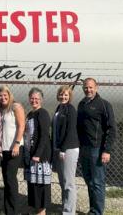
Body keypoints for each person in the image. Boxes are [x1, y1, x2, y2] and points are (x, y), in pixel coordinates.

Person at [77, 78, 116, 215]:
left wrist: (107, 150)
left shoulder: (104, 105)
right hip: (84, 149)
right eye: (86, 87)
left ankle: (97, 212)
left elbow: (111, 129)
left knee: (97, 182)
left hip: (97, 149)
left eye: (91, 87)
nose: (88, 90)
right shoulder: (81, 104)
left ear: (96, 87)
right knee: (89, 181)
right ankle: (93, 210)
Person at [0, 85, 25, 215]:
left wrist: (17, 143)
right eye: (0, 96)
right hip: (4, 149)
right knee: (7, 180)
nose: (3, 97)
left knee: (10, 179)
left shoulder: (16, 107)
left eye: (5, 95)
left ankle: (14, 210)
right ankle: (8, 210)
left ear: (9, 95)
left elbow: (21, 126)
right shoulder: (0, 110)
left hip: (14, 148)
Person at [24, 87, 52, 215]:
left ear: (41, 100)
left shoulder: (43, 113)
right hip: (31, 154)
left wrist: (37, 154)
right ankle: (36, 210)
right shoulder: (30, 114)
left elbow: (45, 135)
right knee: (33, 184)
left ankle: (42, 212)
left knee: (41, 185)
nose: (34, 100)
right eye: (32, 98)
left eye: (37, 98)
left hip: (40, 156)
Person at [52, 86, 79, 215]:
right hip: (60, 149)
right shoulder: (59, 108)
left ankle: (69, 212)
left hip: (69, 149)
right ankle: (65, 207)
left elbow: (70, 131)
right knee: (62, 181)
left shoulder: (70, 109)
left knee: (69, 182)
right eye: (61, 95)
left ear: (70, 97)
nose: (63, 97)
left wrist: (63, 149)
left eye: (66, 95)